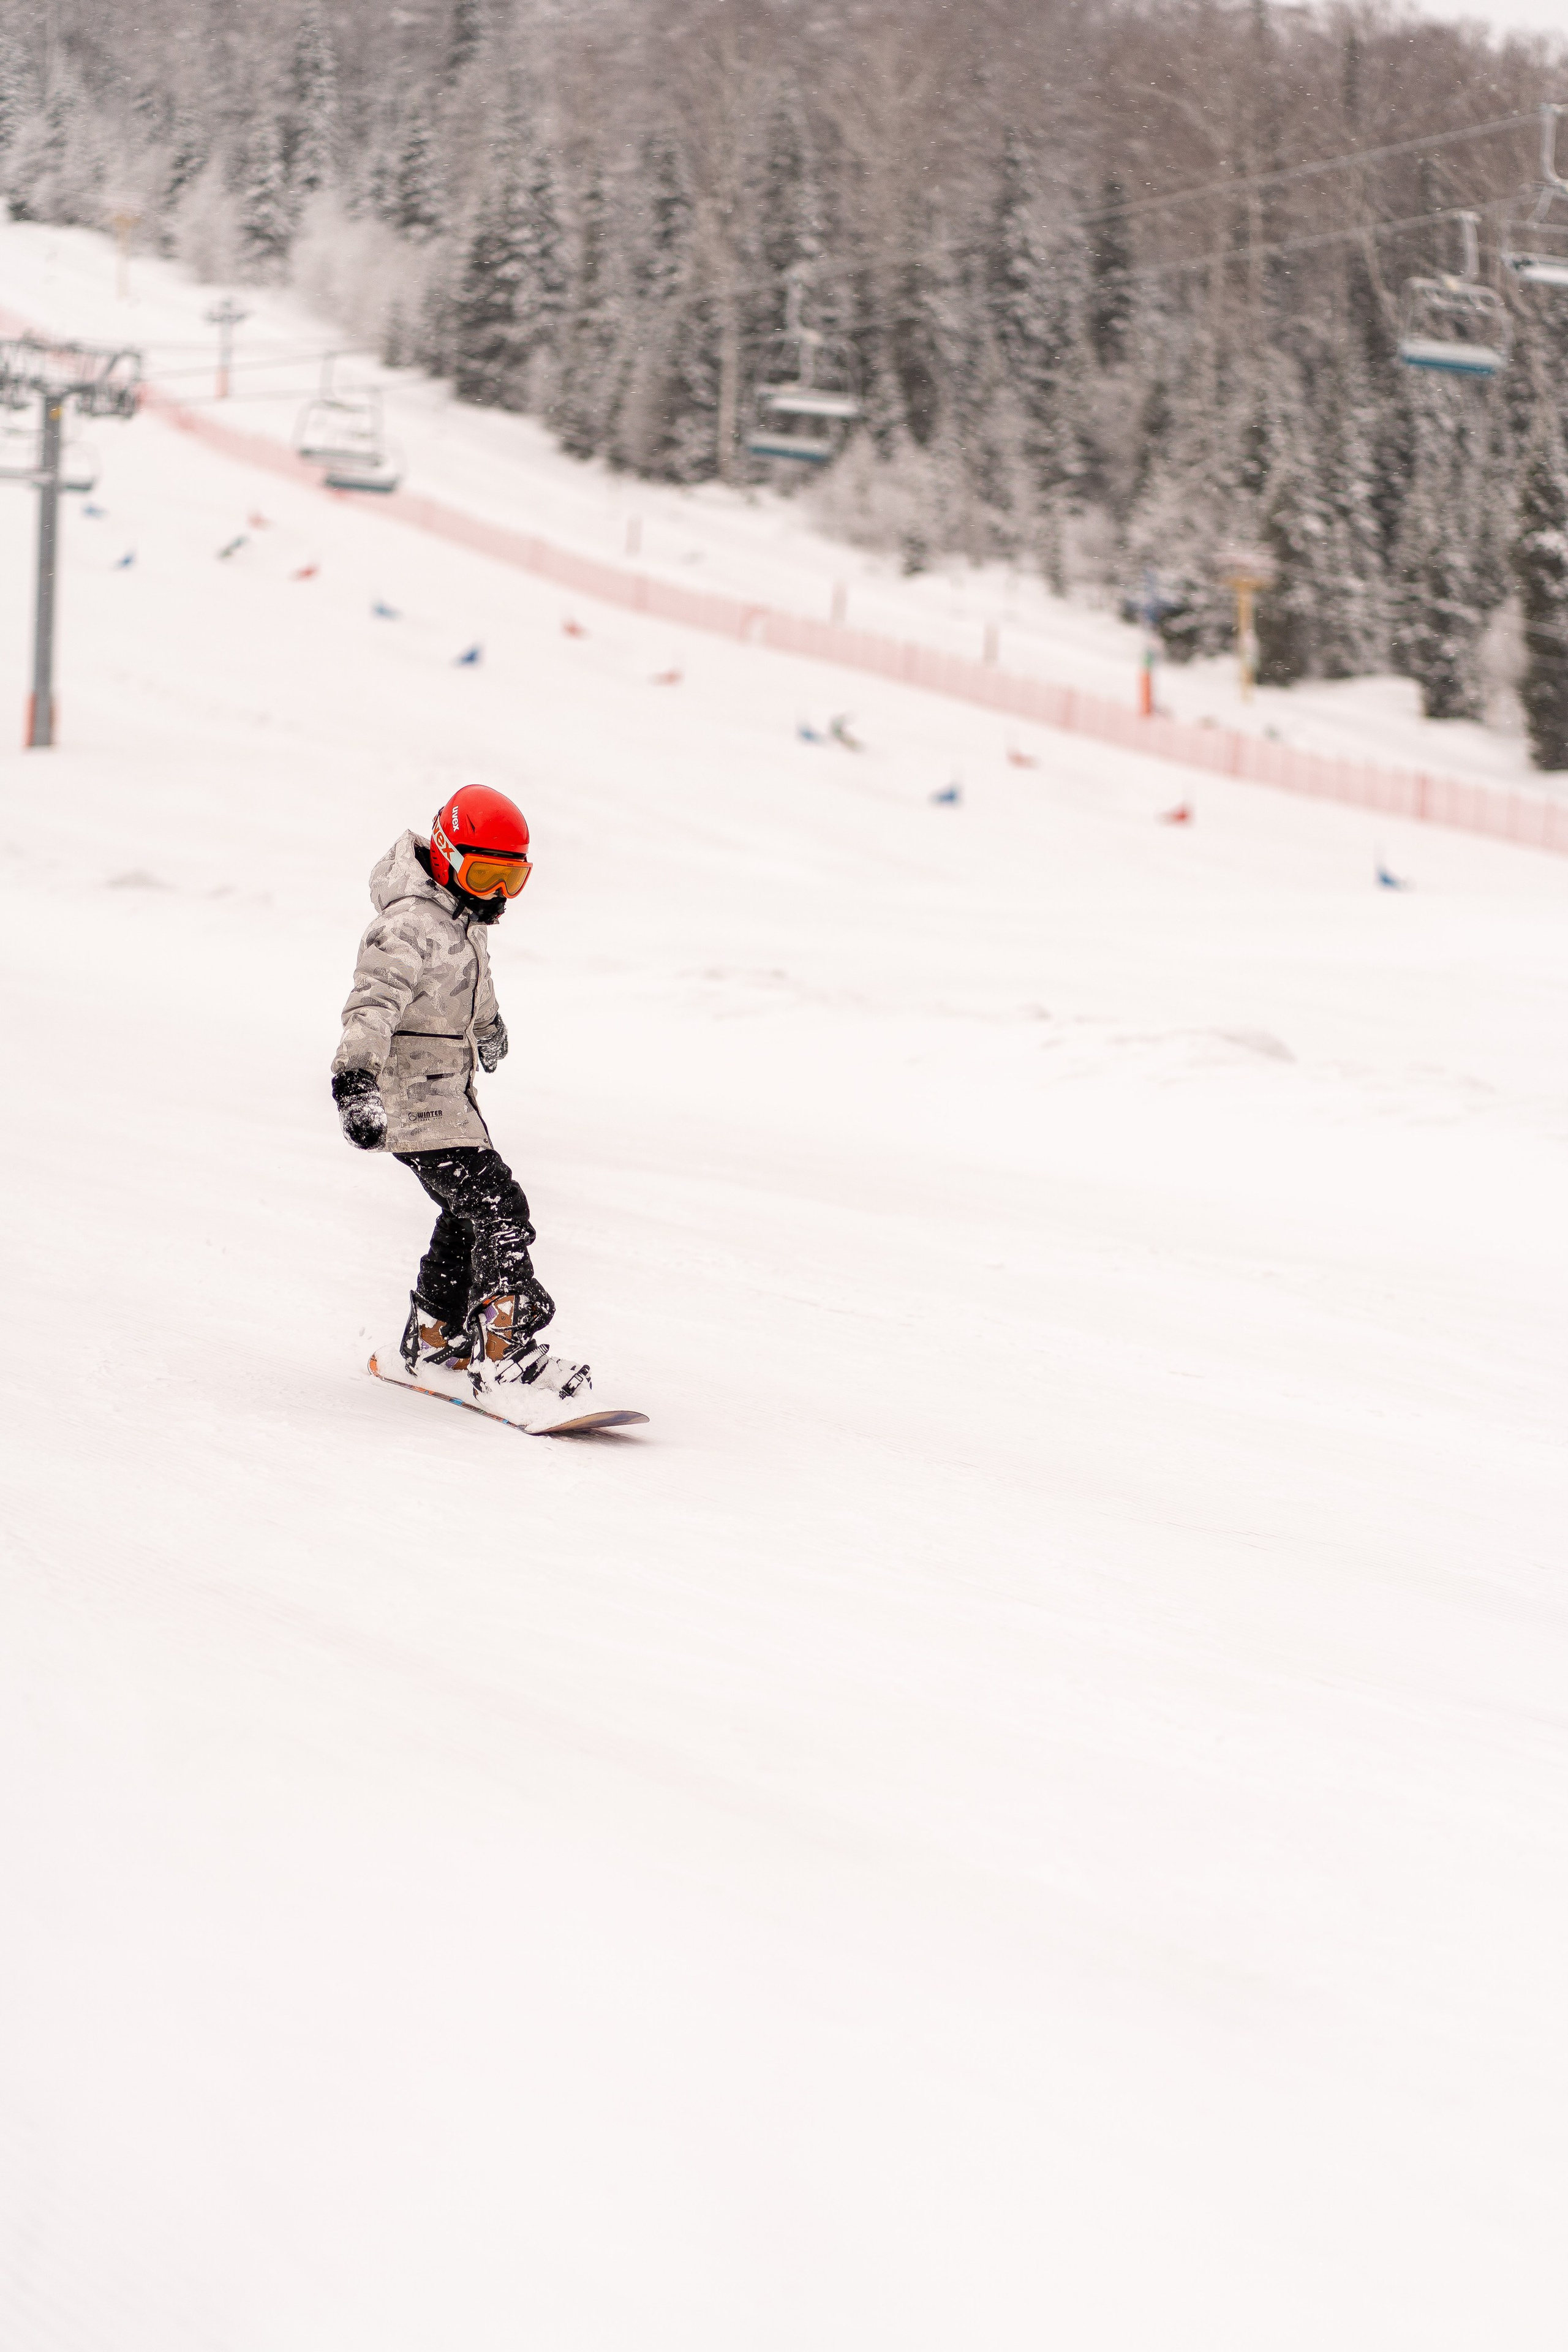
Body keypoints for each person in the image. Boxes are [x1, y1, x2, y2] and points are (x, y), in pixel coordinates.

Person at [331, 785, 590, 1412]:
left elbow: (477, 983)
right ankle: (506, 1355)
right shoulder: (405, 926)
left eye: (511, 879)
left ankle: (434, 1339)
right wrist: (355, 1082)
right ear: (447, 858)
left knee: (465, 1213)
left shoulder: (463, 920)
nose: (496, 893)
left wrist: (488, 1027)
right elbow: (371, 1005)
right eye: (484, 876)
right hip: (410, 1102)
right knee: (500, 1210)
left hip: (450, 1101)